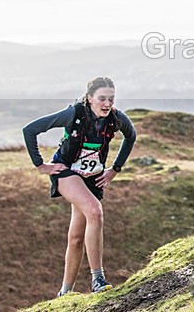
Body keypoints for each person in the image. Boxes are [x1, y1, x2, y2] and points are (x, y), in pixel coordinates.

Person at [23, 77, 136, 297]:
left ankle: (64, 293)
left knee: (76, 238)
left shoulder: (116, 119)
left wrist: (115, 169)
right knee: (95, 212)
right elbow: (30, 130)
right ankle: (98, 279)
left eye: (111, 99)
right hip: (66, 172)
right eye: (102, 98)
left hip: (92, 178)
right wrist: (40, 165)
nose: (107, 103)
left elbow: (131, 137)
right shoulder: (73, 114)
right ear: (90, 98)